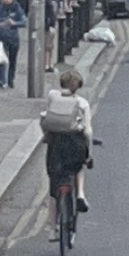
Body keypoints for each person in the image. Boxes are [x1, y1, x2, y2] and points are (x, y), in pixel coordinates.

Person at [42, 69, 92, 240]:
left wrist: (46, 138)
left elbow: (46, 120)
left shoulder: (53, 98)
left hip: (56, 145)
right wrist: (88, 152)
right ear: (77, 87)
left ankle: (52, 229)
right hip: (75, 144)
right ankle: (80, 195)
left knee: (54, 188)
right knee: (79, 167)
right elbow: (87, 131)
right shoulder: (82, 103)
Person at [0, 0, 25, 89]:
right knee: (2, 59)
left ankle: (10, 80)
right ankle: (2, 80)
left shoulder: (17, 8)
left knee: (12, 60)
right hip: (1, 38)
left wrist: (13, 23)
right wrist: (0, 24)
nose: (6, 0)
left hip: (13, 38)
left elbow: (24, 21)